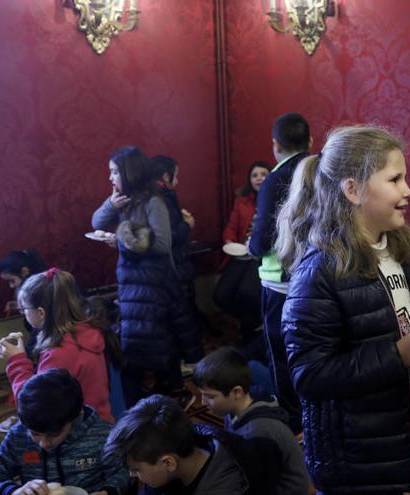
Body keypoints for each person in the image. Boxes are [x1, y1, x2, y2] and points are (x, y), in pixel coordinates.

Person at [276, 125, 410, 493]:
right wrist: (398, 355)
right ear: (353, 190)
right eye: (395, 179)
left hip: (393, 433)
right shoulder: (319, 272)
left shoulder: (397, 249)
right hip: (352, 459)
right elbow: (309, 376)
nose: (408, 191)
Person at [92, 146, 202, 406]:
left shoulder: (154, 202)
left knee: (151, 339)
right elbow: (96, 222)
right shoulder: (123, 200)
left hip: (153, 283)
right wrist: (110, 204)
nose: (111, 178)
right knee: (142, 340)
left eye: (115, 172)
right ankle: (155, 396)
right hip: (132, 282)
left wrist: (122, 240)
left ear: (130, 173)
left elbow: (162, 245)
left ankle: (165, 396)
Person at [247, 113, 311, 434]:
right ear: (310, 142)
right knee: (310, 346)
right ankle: (313, 410)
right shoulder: (320, 170)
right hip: (315, 275)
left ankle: (291, 417)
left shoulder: (276, 178)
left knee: (279, 350)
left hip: (281, 281)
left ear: (275, 144)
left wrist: (251, 245)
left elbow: (262, 241)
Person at [0, 369, 130, 495]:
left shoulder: (103, 435)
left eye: (54, 434)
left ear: (76, 415)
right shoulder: (18, 436)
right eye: (35, 434)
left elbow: (123, 474)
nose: (44, 444)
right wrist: (12, 490)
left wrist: (110, 491)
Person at [0, 268, 115, 423]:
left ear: (41, 313)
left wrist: (16, 361)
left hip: (79, 432)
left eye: (24, 309)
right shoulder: (87, 332)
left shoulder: (59, 354)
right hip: (101, 421)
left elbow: (35, 407)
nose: (23, 313)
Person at [192, 347, 309, 495]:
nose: (202, 402)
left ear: (237, 392)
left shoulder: (256, 433)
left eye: (210, 396)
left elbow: (264, 485)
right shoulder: (238, 408)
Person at [103, 395, 248, 495]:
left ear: (168, 463)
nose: (132, 474)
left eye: (136, 470)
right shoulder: (173, 445)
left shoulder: (225, 488)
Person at [214, 161, 271, 358]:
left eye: (264, 174)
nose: (259, 178)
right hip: (240, 254)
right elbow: (232, 224)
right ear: (250, 179)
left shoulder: (275, 200)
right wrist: (228, 238)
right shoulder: (242, 201)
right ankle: (255, 324)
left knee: (248, 293)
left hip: (261, 257)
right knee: (221, 295)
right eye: (255, 175)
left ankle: (250, 336)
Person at [152, 154, 204, 370]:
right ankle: (191, 360)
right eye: (176, 175)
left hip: (174, 265)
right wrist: (188, 224)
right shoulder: (161, 198)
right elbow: (169, 238)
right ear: (166, 175)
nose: (178, 181)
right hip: (175, 265)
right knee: (183, 315)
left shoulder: (157, 195)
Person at [0, 249, 47, 356]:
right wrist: (20, 305)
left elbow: (38, 333)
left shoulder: (40, 291)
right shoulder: (33, 288)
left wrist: (18, 357)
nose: (11, 286)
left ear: (24, 271)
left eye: (12, 280)